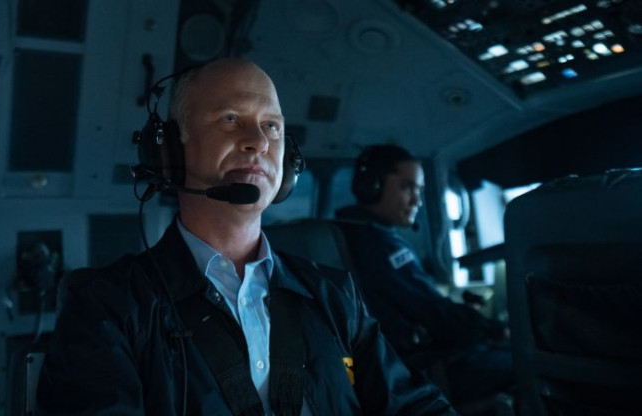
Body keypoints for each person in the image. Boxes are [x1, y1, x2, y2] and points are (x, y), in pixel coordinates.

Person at [36, 59, 456, 415]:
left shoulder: (334, 293)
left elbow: (413, 405)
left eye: (271, 126)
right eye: (230, 119)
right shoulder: (106, 306)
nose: (258, 142)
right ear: (170, 150)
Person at [335, 145, 514, 408]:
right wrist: (495, 329)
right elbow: (434, 312)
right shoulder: (380, 246)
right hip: (410, 371)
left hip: (388, 364)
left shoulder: (351, 233)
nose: (417, 201)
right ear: (371, 187)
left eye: (419, 190)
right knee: (519, 364)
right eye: (407, 187)